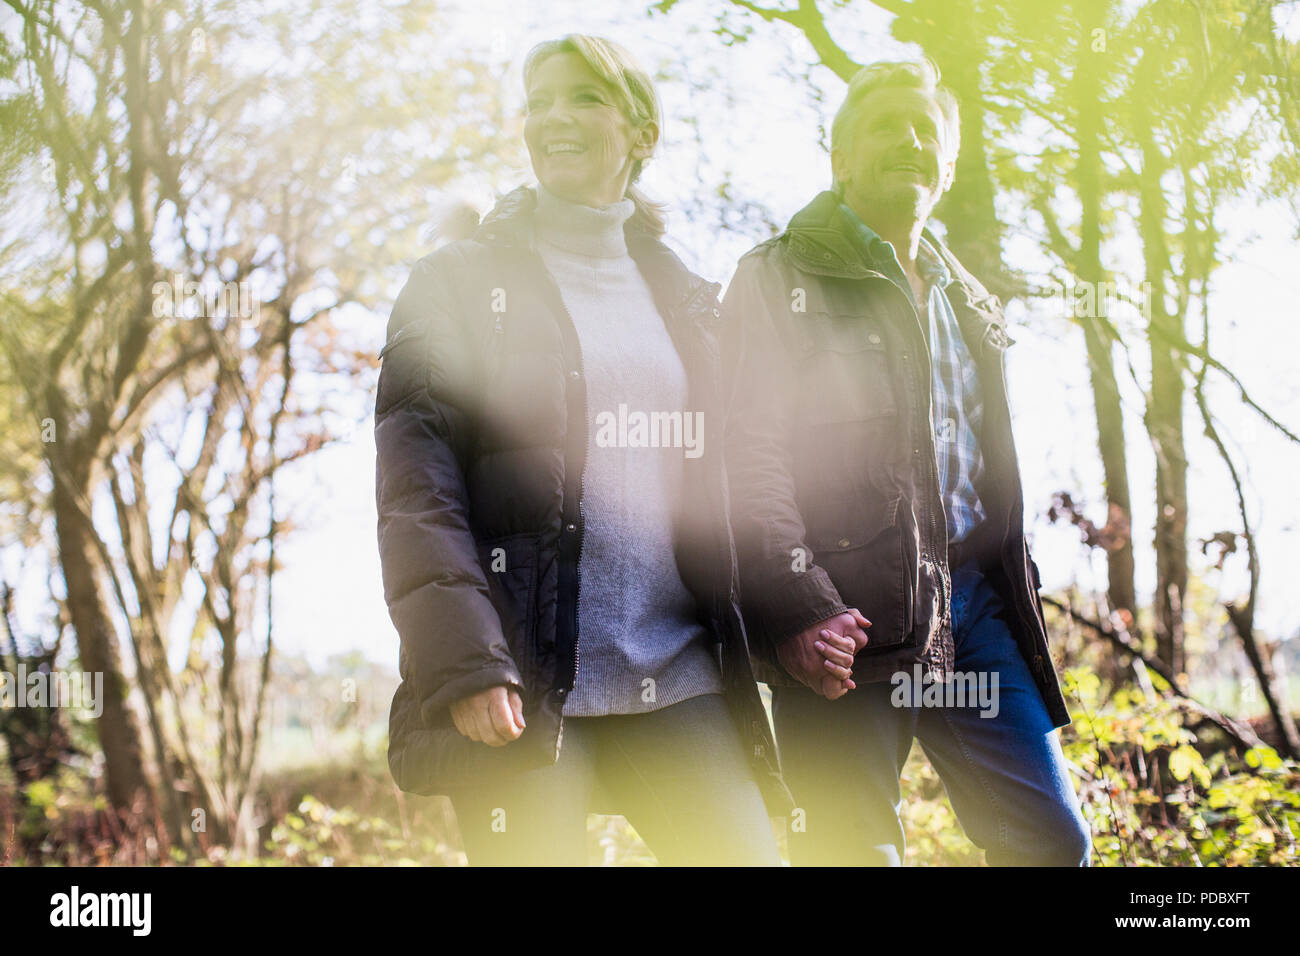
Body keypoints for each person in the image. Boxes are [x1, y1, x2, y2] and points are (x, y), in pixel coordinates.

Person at [374, 33, 789, 866]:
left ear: (640, 132)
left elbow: (746, 485)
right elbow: (417, 488)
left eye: (584, 98)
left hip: (679, 676)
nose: (553, 118)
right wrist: (466, 663)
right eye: (539, 101)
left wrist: (805, 612)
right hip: (523, 679)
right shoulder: (453, 284)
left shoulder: (688, 298)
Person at [722, 58, 1092, 866]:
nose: (911, 142)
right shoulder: (776, 277)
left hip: (975, 615)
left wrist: (1010, 584)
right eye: (886, 127)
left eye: (928, 132)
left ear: (949, 167)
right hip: (844, 619)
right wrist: (798, 605)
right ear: (841, 158)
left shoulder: (972, 303)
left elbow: (985, 477)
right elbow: (746, 457)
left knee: (1050, 843)